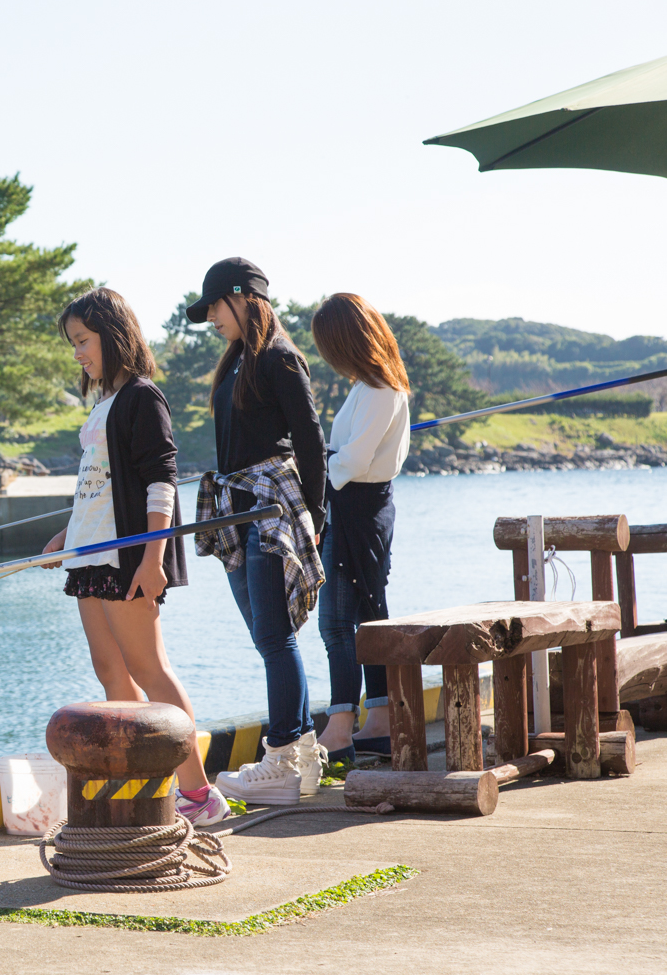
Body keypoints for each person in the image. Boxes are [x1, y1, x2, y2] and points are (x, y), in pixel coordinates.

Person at [41, 288, 230, 826]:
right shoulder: (104, 402)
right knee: (112, 674)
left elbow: (160, 481)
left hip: (126, 560)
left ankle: (199, 793)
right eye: (73, 343)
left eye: (83, 340)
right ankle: (144, 788)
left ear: (111, 333)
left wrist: (153, 560)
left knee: (151, 670)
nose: (77, 352)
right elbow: (99, 490)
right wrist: (66, 535)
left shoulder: (144, 397)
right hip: (89, 557)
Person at [187, 257, 328, 805]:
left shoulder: (279, 357)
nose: (211, 318)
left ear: (243, 296)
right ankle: (302, 755)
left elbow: (311, 439)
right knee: (270, 637)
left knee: (273, 637)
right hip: (239, 507)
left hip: (270, 507)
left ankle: (282, 756)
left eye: (215, 307)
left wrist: (314, 517)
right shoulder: (239, 360)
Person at [310, 294, 410, 762]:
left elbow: (353, 459)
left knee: (339, 620)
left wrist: (310, 473)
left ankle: (341, 728)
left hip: (356, 510)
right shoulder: (375, 385)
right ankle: (379, 719)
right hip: (363, 508)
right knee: (366, 614)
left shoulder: (378, 390)